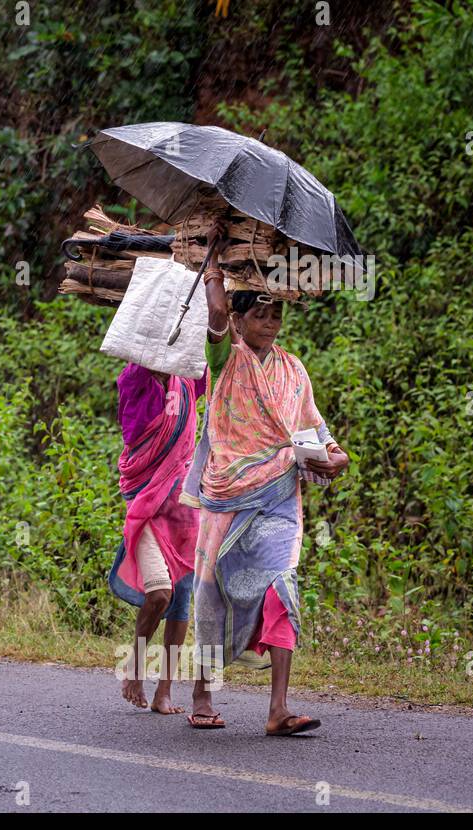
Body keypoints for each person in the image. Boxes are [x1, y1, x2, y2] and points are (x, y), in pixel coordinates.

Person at [183, 221, 349, 734]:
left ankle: (278, 709)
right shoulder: (224, 359)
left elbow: (324, 438)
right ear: (238, 319)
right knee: (213, 595)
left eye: (276, 311)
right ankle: (203, 696)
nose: (272, 321)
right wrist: (212, 268)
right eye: (260, 312)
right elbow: (213, 312)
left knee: (282, 586)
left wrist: (333, 460)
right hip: (228, 497)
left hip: (279, 498)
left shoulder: (293, 370)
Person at [108, 363, 204, 714]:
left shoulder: (189, 378)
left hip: (183, 505)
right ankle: (135, 667)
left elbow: (219, 355)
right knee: (161, 591)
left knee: (180, 600)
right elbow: (136, 434)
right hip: (147, 502)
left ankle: (164, 691)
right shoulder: (135, 379)